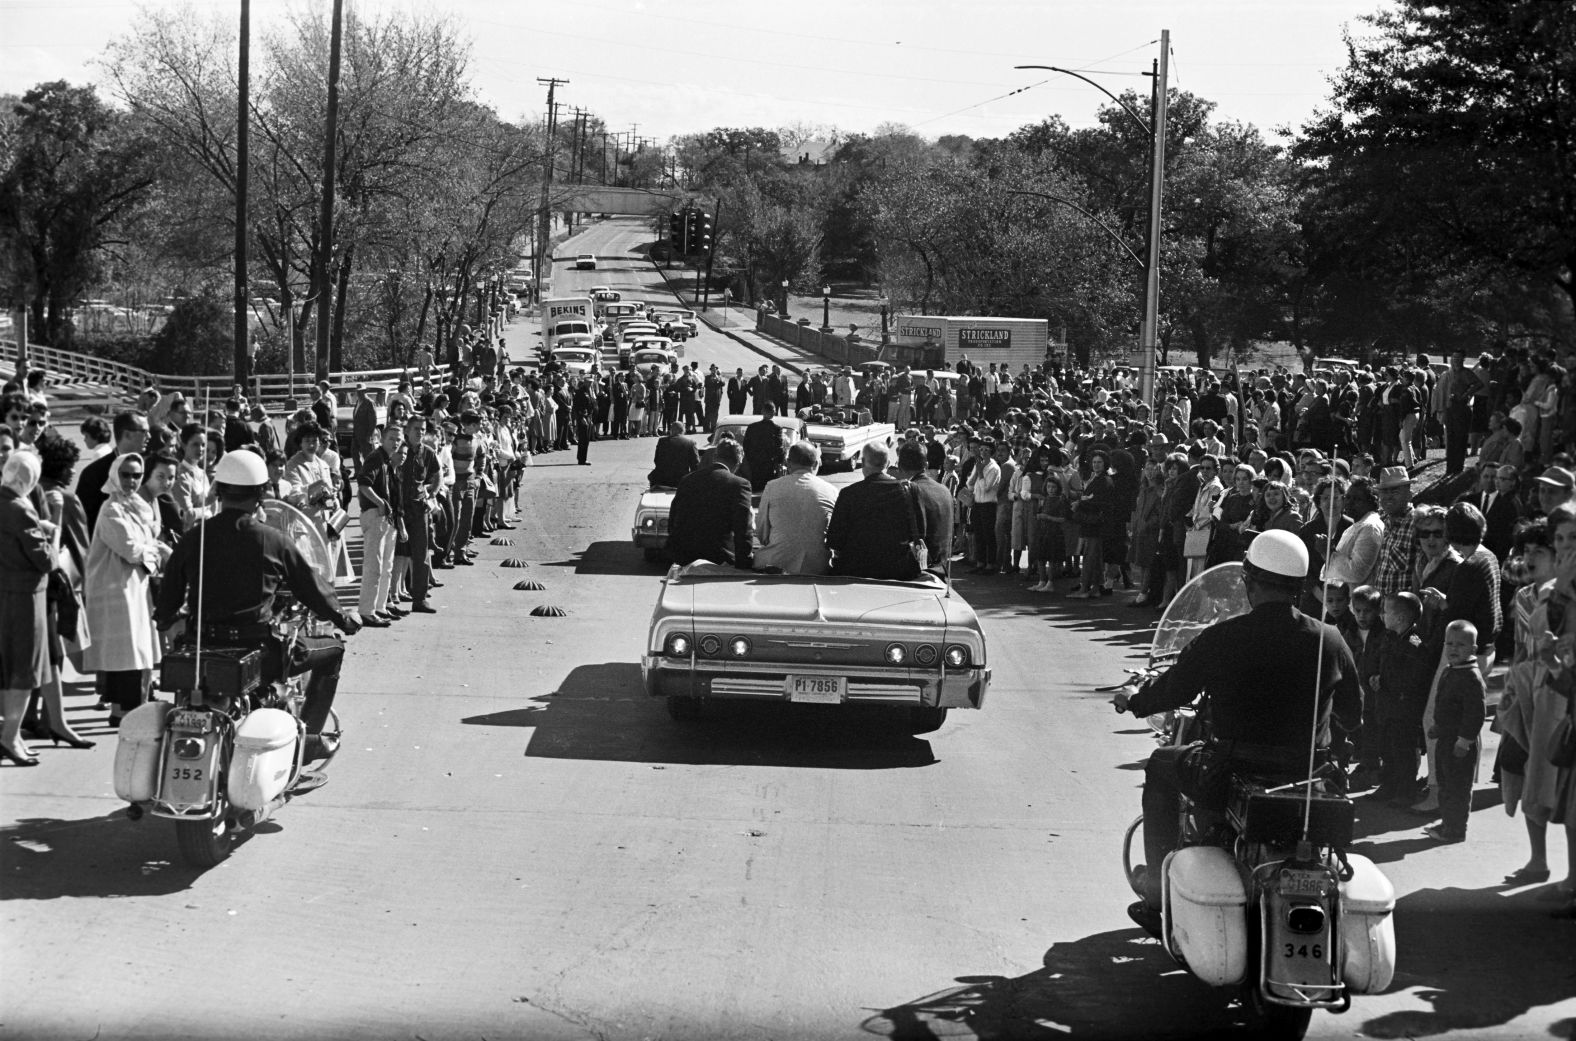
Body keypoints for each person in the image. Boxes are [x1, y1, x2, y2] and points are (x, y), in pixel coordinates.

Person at [1114, 529, 1362, 927]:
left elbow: (1173, 689)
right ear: (1300, 588)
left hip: (1228, 772)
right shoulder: (1330, 640)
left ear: (1249, 581)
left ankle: (1159, 897)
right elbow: (1353, 714)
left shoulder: (1223, 638)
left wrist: (1135, 701)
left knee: (1161, 763)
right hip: (1306, 776)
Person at [156, 451, 360, 761]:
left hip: (202, 647)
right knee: (333, 652)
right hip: (259, 653)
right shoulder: (273, 540)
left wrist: (170, 620)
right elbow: (311, 588)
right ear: (261, 494)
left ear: (218, 491)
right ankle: (306, 743)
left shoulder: (194, 537)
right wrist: (344, 618)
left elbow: (167, 599)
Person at [82, 452, 168, 727]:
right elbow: (132, 550)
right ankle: (123, 712)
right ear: (114, 475)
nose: (131, 481)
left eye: (136, 475)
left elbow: (144, 546)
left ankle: (129, 708)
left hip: (133, 587)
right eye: (125, 475)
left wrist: (150, 550)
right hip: (115, 591)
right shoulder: (111, 509)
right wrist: (155, 551)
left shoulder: (135, 506)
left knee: (135, 653)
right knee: (124, 653)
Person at [0, 452, 58, 765]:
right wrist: (51, 532)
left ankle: (11, 735)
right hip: (25, 597)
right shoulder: (21, 509)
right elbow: (46, 560)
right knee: (24, 669)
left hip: (4, 593)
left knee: (6, 668)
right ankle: (10, 736)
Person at [825, 441, 927, 581]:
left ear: (863, 461)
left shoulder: (848, 494)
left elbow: (834, 540)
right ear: (887, 463)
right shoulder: (909, 490)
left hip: (855, 571)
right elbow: (921, 532)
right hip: (897, 571)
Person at [1424, 620, 1486, 844]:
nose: (1453, 649)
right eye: (1449, 643)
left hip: (1460, 743)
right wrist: (1438, 727)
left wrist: (1464, 741)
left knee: (1458, 787)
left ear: (1473, 649)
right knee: (1445, 783)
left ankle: (1456, 829)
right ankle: (1447, 821)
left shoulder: (1471, 676)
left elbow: (1475, 713)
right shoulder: (1451, 671)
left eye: (1460, 645)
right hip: (1445, 737)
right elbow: (1446, 705)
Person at [754, 441, 837, 575]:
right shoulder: (831, 491)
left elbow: (762, 533)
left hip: (776, 564)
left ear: (788, 463)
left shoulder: (772, 487)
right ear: (815, 464)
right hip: (816, 567)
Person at [667, 440, 753, 569]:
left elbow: (672, 521)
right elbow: (743, 527)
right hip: (719, 557)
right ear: (738, 463)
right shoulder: (740, 484)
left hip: (684, 555)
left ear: (715, 457)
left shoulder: (688, 480)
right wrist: (744, 563)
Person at [356, 424, 404, 628]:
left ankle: (380, 606)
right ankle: (367, 610)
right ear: (382, 439)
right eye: (392, 438)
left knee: (386, 566)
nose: (395, 443)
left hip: (387, 518)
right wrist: (379, 502)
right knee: (373, 566)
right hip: (375, 515)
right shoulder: (376, 458)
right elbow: (363, 484)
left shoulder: (388, 461)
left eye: (398, 439)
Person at [77, 410, 151, 533]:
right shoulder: (94, 473)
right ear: (127, 434)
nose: (149, 436)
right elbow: (84, 520)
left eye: (137, 476)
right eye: (144, 432)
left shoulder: (150, 467)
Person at [897, 441, 954, 575]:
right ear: (926, 465)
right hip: (942, 571)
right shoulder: (944, 491)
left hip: (917, 574)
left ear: (900, 467)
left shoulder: (906, 491)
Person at [742, 402, 789, 493]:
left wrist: (750, 459)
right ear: (774, 413)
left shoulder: (752, 427)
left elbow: (745, 446)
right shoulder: (776, 429)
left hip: (753, 465)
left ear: (762, 412)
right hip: (769, 466)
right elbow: (779, 448)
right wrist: (780, 461)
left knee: (753, 489)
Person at [649, 422, 700, 488]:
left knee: (652, 476)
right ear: (683, 431)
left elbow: (656, 460)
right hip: (680, 480)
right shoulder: (691, 443)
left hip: (662, 480)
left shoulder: (662, 441)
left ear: (671, 431)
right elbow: (695, 465)